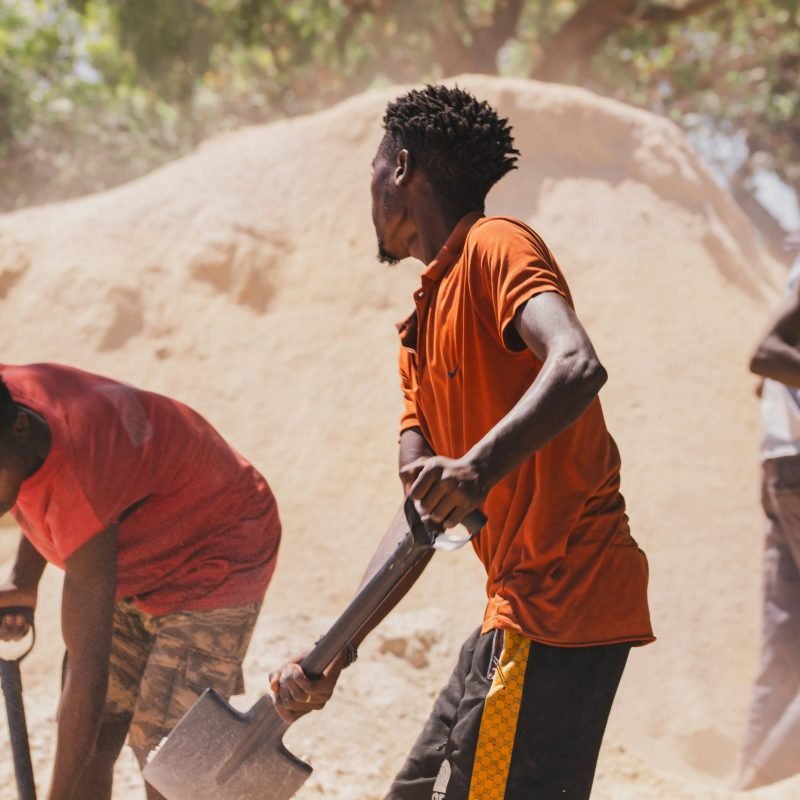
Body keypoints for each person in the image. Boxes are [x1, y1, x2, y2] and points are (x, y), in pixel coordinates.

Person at [269, 84, 653, 800]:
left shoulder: (493, 245)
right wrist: (332, 653)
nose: (368, 193)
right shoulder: (418, 335)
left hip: (564, 602)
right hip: (515, 612)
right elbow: (423, 514)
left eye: (373, 169)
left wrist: (477, 467)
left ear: (401, 167)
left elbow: (576, 362)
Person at [0, 362, 281, 800]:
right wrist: (23, 579)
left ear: (19, 428)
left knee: (168, 759)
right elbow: (39, 477)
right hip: (131, 545)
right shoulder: (13, 407)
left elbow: (89, 670)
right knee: (93, 737)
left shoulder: (82, 478)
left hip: (217, 549)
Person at [736, 231, 800, 790]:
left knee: (784, 639)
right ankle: (773, 778)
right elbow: (766, 354)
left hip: (782, 462)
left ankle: (750, 782)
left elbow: (767, 383)